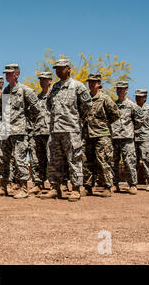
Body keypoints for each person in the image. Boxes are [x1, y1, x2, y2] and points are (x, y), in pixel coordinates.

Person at [41, 59, 92, 202]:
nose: (57, 71)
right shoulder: (55, 87)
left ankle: (76, 189)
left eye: (60, 68)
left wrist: (76, 119)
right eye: (56, 69)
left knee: (74, 159)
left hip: (71, 130)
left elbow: (87, 105)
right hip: (55, 130)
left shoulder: (78, 86)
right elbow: (50, 106)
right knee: (54, 161)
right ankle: (55, 188)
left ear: (68, 69)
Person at [0, 64, 39, 199]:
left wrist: (24, 119)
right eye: (5, 73)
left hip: (19, 132)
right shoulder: (5, 91)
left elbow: (36, 109)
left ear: (16, 74)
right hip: (6, 131)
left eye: (9, 73)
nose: (7, 76)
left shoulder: (25, 90)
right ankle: (3, 186)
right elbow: (0, 109)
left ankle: (24, 188)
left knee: (19, 160)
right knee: (3, 160)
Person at [81, 73, 120, 197]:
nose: (91, 84)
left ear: (99, 83)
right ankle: (87, 187)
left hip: (102, 135)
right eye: (90, 82)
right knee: (86, 161)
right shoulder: (85, 98)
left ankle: (108, 186)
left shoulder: (105, 99)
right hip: (87, 135)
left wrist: (103, 124)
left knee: (103, 160)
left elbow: (115, 114)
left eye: (94, 82)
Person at [111, 81, 143, 195]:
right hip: (114, 138)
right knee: (113, 162)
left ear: (127, 90)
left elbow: (139, 121)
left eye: (122, 89)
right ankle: (115, 184)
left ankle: (132, 184)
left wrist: (130, 130)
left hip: (127, 138)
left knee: (129, 161)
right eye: (118, 89)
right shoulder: (113, 105)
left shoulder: (132, 105)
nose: (119, 91)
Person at [28, 71, 52, 196]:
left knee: (52, 160)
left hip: (50, 132)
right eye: (40, 79)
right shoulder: (37, 98)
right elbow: (32, 115)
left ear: (50, 81)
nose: (41, 81)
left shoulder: (54, 96)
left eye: (44, 79)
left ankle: (55, 185)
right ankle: (38, 183)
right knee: (36, 160)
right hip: (37, 132)